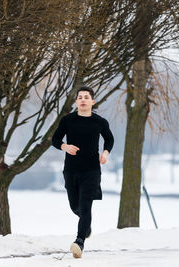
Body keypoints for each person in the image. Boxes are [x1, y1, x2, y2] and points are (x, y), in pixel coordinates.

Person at [52, 86, 114, 258]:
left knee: (86, 205)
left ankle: (79, 241)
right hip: (71, 170)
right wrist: (65, 146)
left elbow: (109, 139)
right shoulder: (67, 120)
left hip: (92, 170)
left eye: (86, 97)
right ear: (76, 101)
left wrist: (105, 153)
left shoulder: (99, 122)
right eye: (80, 97)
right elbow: (55, 139)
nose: (83, 99)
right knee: (75, 206)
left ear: (92, 101)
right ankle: (86, 225)